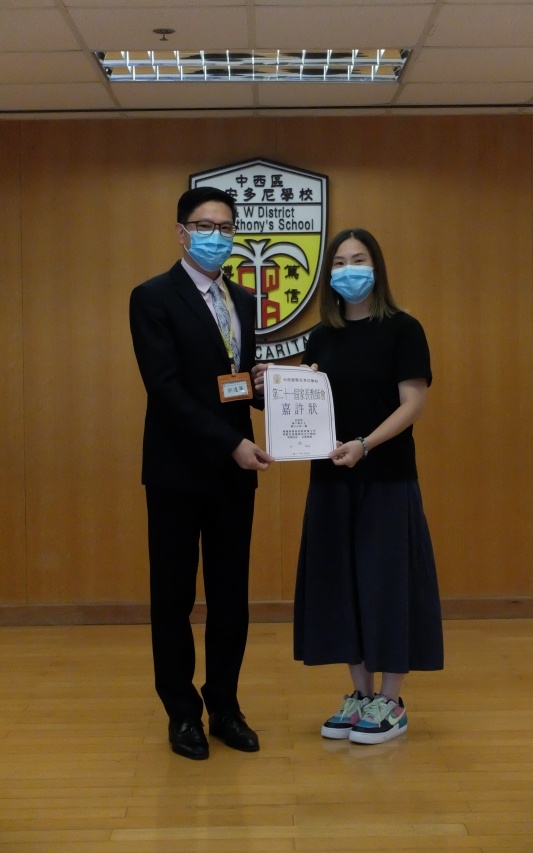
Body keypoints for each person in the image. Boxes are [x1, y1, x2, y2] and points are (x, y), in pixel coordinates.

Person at [129, 186, 273, 761]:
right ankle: (182, 712)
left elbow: (232, 382)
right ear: (181, 232)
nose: (217, 235)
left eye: (226, 226)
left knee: (231, 596)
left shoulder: (243, 299)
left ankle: (226, 706)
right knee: (173, 598)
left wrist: (264, 387)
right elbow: (165, 388)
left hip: (234, 475)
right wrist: (231, 442)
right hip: (177, 472)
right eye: (205, 225)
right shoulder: (152, 297)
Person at [293, 228, 444, 745]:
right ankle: (360, 694)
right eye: (339, 262)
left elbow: (413, 404)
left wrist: (364, 444)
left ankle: (391, 700)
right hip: (330, 479)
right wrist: (279, 384)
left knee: (386, 584)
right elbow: (307, 403)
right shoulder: (321, 336)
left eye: (358, 260)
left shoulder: (403, 329)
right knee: (342, 584)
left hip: (386, 477)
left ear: (376, 267)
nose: (348, 270)